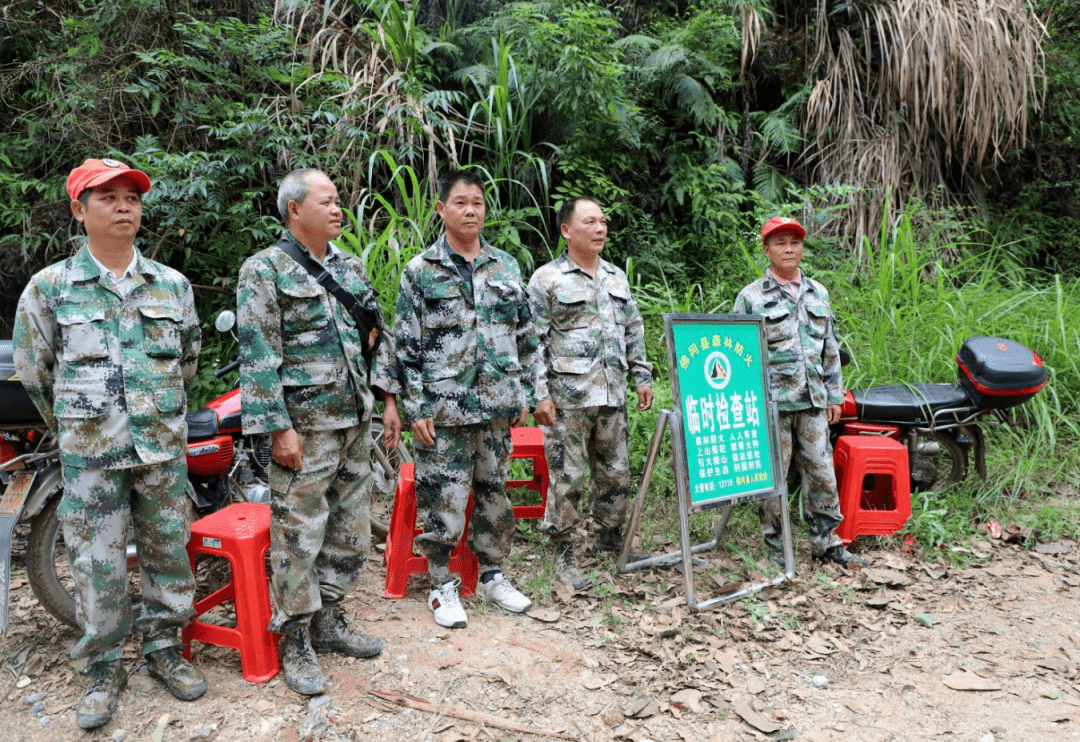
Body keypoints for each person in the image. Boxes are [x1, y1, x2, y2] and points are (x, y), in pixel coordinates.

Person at [13, 158, 206, 729]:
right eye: (108, 197)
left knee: (168, 553)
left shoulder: (171, 284)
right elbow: (35, 372)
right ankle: (100, 666)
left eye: (132, 197)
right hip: (91, 453)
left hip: (160, 451)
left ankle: (164, 649)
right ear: (79, 210)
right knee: (96, 564)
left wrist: (151, 413)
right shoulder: (50, 287)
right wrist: (83, 425)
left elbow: (188, 362)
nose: (124, 206)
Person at [237, 168, 401, 694]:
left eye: (339, 202)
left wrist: (388, 400)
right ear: (294, 209)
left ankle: (329, 617)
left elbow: (377, 336)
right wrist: (277, 428)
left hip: (356, 420)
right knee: (298, 534)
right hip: (304, 430)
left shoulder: (350, 267)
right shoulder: (264, 270)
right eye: (327, 201)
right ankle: (295, 637)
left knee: (349, 527)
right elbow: (258, 356)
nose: (338, 209)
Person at [394, 169, 537, 629]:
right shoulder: (420, 271)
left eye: (477, 201)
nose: (470, 210)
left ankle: (493, 574)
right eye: (460, 202)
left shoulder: (507, 267)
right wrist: (415, 408)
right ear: (441, 209)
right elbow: (405, 347)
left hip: (497, 406)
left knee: (494, 493)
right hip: (443, 410)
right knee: (443, 499)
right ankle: (440, 585)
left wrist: (528, 393)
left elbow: (527, 336)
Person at [527, 197, 653, 589]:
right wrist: (539, 394)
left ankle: (608, 539)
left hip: (612, 393)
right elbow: (532, 342)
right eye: (590, 222)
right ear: (567, 231)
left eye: (603, 222)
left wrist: (642, 375)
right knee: (569, 476)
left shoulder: (616, 276)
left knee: (616, 473)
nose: (600, 229)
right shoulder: (547, 279)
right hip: (568, 397)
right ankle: (563, 548)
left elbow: (633, 329)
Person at [733, 216, 867, 567]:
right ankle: (778, 547)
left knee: (821, 472)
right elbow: (737, 354)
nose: (789, 249)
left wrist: (835, 395)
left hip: (812, 402)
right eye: (780, 243)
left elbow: (830, 348)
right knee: (773, 476)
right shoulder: (750, 297)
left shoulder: (817, 292)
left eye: (795, 242)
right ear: (767, 249)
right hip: (771, 403)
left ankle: (828, 543)